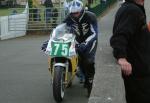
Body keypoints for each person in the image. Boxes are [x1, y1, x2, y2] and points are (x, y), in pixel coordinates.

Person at [110, 0, 150, 103]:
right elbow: (119, 36)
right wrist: (121, 58)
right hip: (137, 76)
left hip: (141, 73)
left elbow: (135, 33)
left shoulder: (135, 8)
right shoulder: (131, 10)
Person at [63, 0, 98, 97]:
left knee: (89, 62)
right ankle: (82, 76)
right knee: (79, 61)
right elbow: (62, 29)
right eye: (72, 13)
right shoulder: (68, 18)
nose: (75, 15)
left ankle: (90, 84)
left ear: (82, 10)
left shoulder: (91, 16)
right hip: (77, 41)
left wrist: (86, 43)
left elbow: (94, 33)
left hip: (90, 41)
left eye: (77, 12)